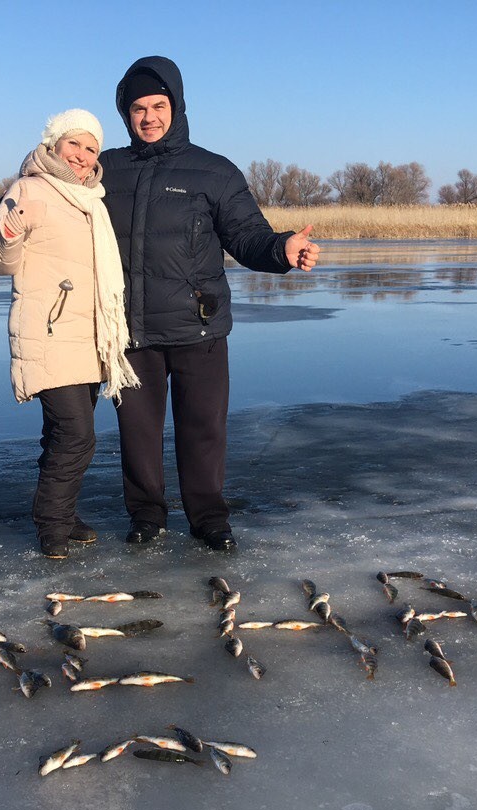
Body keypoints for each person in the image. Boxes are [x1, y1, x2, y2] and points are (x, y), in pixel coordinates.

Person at [101, 56, 319, 552]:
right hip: (130, 331)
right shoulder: (105, 171)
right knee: (137, 433)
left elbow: (247, 236)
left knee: (202, 430)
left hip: (199, 325)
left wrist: (281, 249)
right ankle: (147, 516)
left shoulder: (214, 172)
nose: (149, 117)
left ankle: (208, 517)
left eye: (159, 105)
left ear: (176, 106)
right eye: (137, 108)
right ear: (125, 114)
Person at [0, 109, 139, 560]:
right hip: (50, 330)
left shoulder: (92, 199)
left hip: (90, 336)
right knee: (76, 435)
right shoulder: (29, 189)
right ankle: (51, 525)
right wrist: (9, 233)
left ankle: (65, 514)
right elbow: (1, 261)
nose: (83, 155)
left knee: (61, 434)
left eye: (91, 148)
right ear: (53, 144)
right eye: (74, 144)